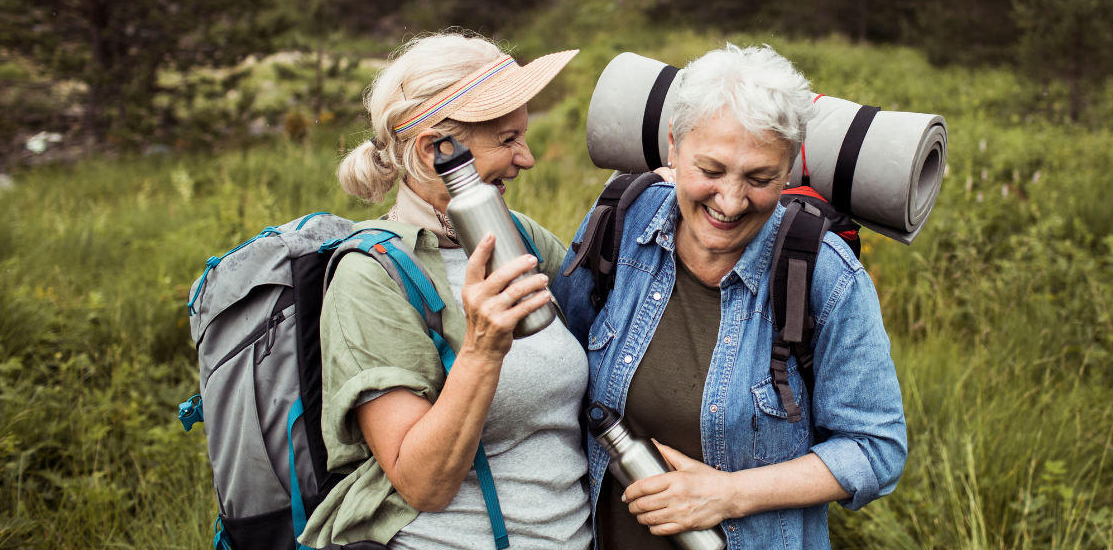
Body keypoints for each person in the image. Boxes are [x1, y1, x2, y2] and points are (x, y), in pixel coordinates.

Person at [552, 44, 907, 549]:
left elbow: (877, 448)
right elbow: (560, 374)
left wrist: (730, 494)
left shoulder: (823, 276)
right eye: (711, 171)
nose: (731, 200)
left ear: (788, 172)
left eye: (760, 178)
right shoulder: (620, 224)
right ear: (673, 147)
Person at [299, 32, 592, 550]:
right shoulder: (371, 277)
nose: (526, 159)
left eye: (522, 136)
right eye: (506, 140)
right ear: (437, 150)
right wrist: (482, 349)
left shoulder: (519, 235)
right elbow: (423, 484)